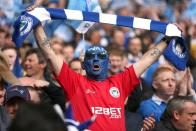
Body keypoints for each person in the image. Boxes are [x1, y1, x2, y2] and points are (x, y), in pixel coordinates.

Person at [33, 22, 181, 131]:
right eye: (91, 57)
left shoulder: (121, 82)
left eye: (101, 56)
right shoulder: (74, 82)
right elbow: (50, 54)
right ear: (83, 66)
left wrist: (167, 39)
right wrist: (37, 23)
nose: (96, 59)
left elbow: (147, 59)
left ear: (108, 63)